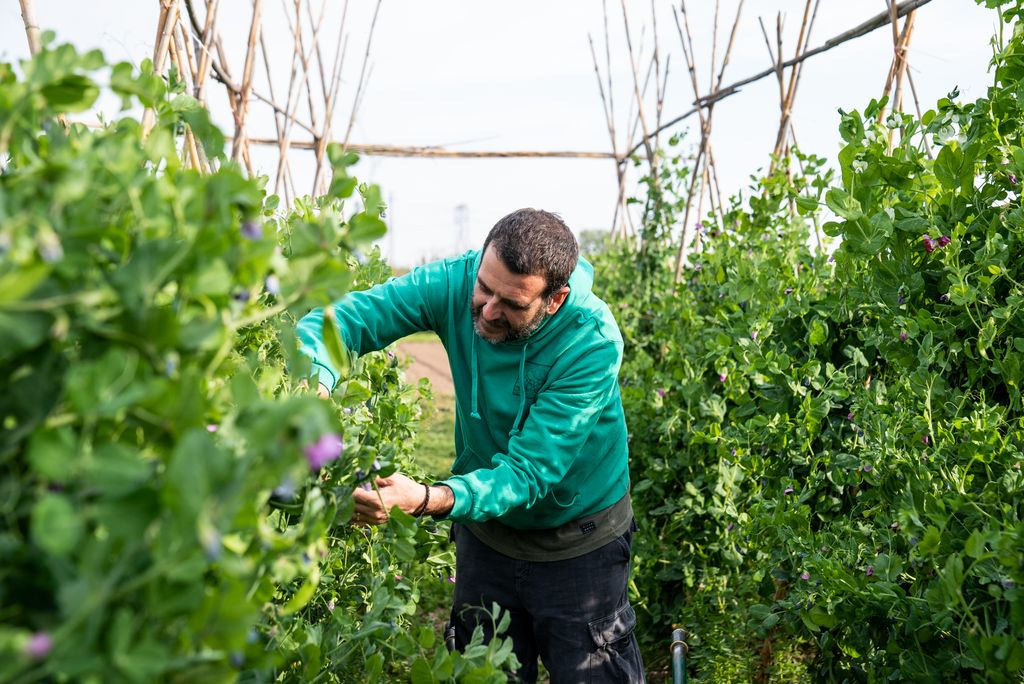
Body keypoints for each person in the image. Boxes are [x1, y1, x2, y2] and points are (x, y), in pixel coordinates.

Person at [297, 208, 644, 682]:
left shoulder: (591, 340)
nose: (488, 309)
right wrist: (313, 387)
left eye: (512, 304)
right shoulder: (456, 282)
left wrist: (425, 499)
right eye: (485, 288)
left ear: (555, 300)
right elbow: (340, 322)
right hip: (488, 535)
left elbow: (528, 473)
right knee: (483, 670)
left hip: (578, 541)